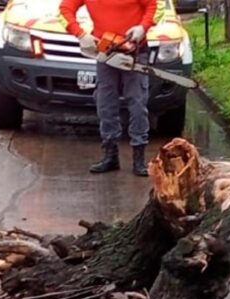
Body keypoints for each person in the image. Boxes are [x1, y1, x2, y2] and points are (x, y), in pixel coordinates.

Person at [60, 0, 158, 175]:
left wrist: (143, 27)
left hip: (135, 51)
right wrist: (81, 34)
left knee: (137, 103)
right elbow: (65, 9)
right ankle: (110, 154)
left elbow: (155, 7)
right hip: (106, 53)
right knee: (105, 103)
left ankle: (139, 157)